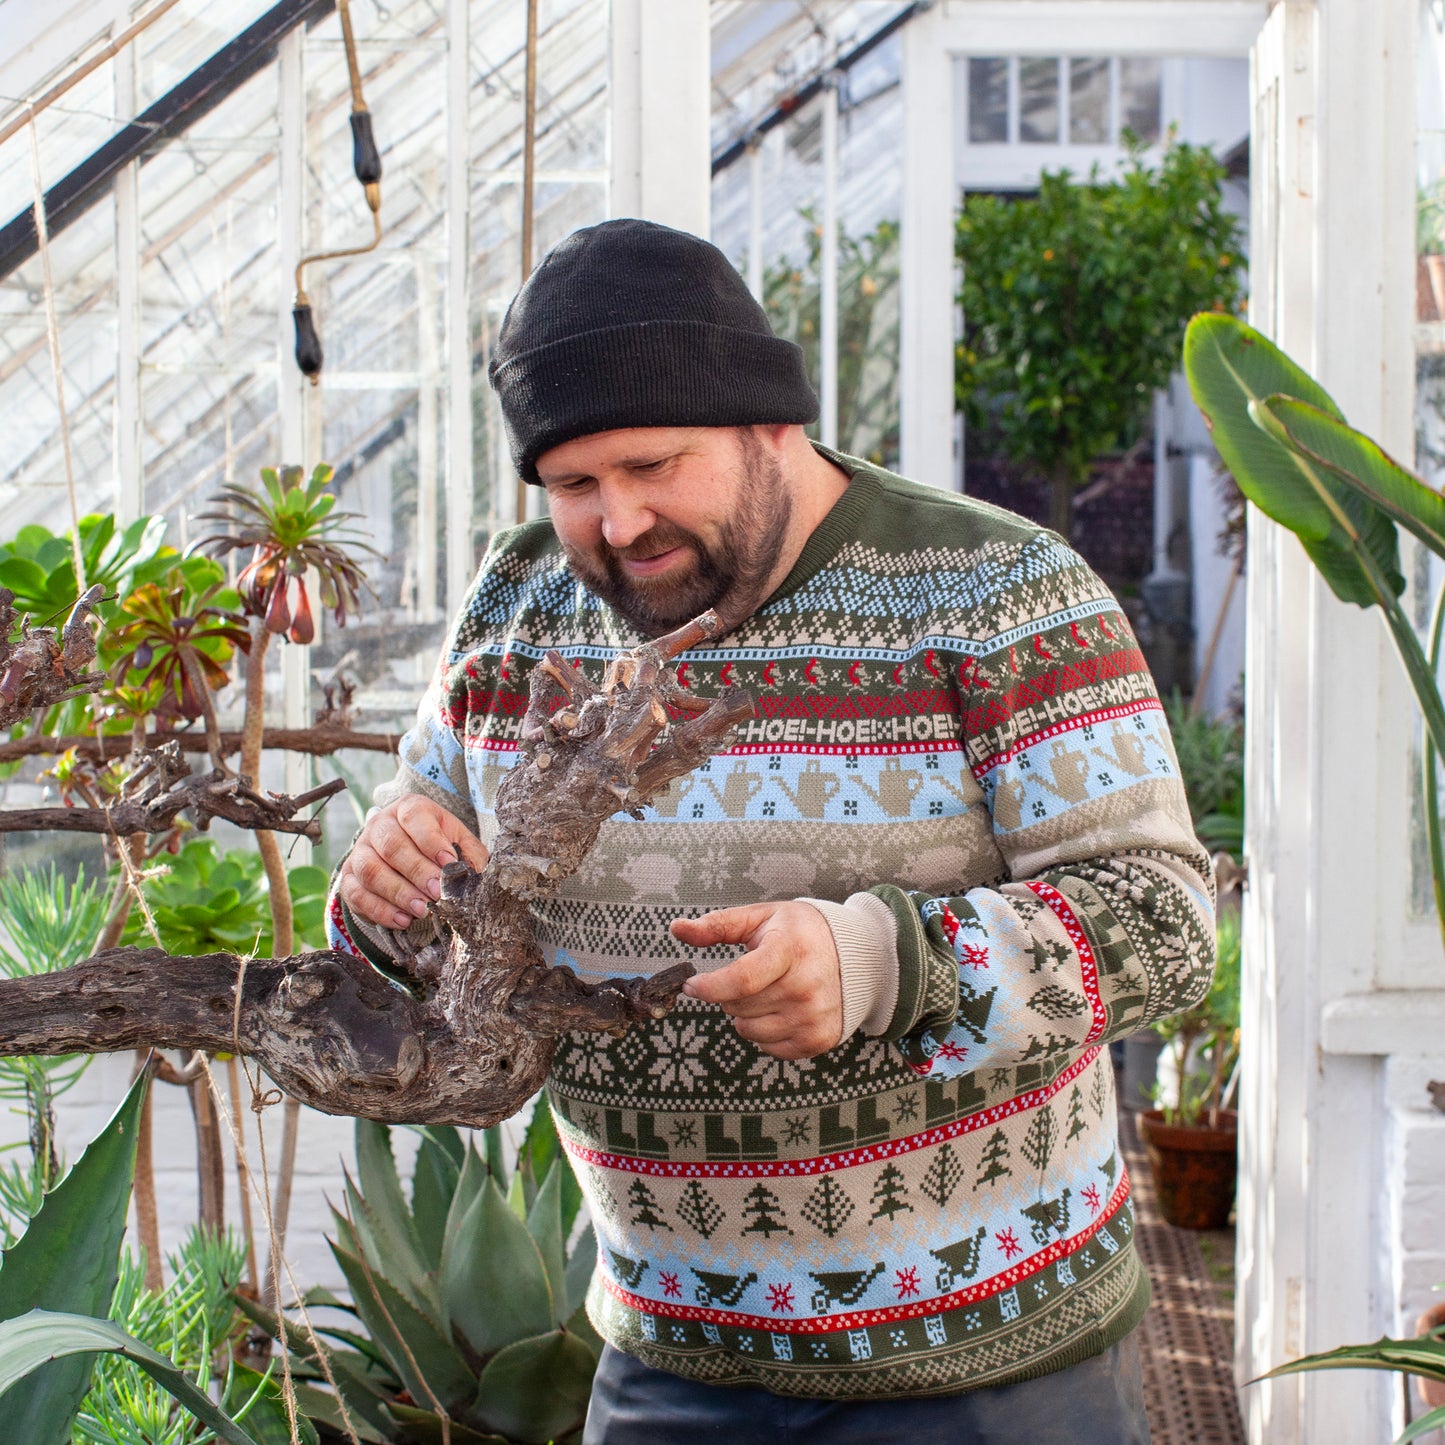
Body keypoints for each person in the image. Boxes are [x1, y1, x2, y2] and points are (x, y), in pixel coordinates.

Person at [329, 218, 1213, 1443]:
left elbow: (1164, 921)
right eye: (574, 484)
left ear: (769, 424)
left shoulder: (999, 590)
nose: (619, 521)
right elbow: (424, 894)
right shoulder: (516, 602)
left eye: (651, 464)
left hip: (989, 1367)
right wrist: (385, 874)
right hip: (666, 1353)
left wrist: (881, 963)